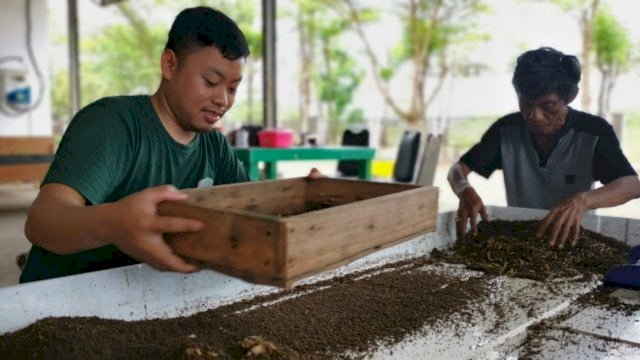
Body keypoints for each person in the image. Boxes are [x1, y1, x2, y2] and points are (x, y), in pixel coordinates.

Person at [20, 6, 320, 283]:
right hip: (62, 302)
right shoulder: (112, 124)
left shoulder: (213, 145)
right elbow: (42, 223)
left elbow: (255, 212)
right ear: (169, 64)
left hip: (148, 297)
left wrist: (304, 203)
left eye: (232, 88)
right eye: (211, 82)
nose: (223, 100)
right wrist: (113, 222)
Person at [448, 46, 640, 249]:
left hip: (574, 240)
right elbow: (456, 170)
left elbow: (632, 185)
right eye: (526, 104)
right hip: (520, 239)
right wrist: (464, 190)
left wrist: (584, 201)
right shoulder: (506, 130)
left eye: (548, 105)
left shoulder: (593, 132)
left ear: (571, 96)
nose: (534, 116)